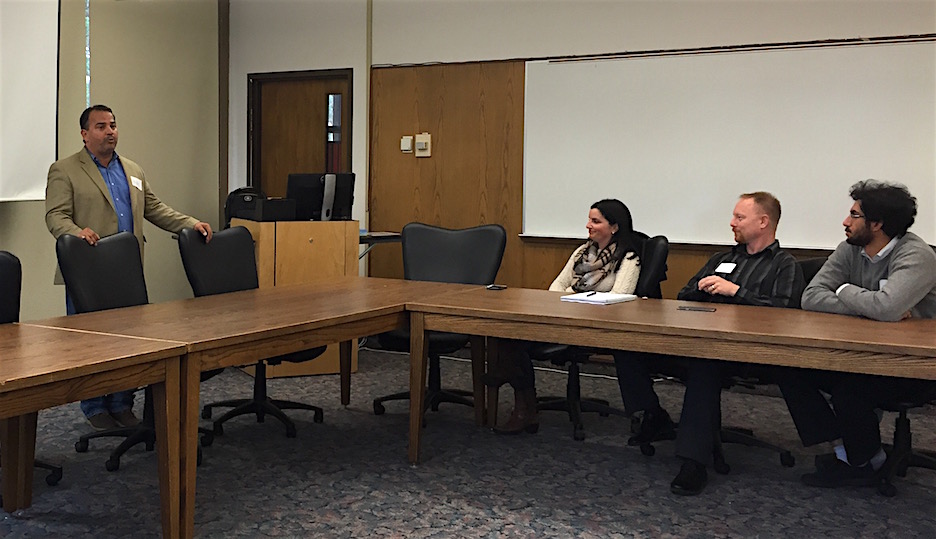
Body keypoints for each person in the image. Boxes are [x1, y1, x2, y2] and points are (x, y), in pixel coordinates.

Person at [613, 192, 802, 495]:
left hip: (748, 353)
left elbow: (785, 312)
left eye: (740, 217)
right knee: (627, 345)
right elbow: (684, 295)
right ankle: (652, 415)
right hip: (700, 340)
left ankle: (693, 463)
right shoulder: (722, 259)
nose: (732, 223)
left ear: (763, 222)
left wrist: (735, 291)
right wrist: (701, 290)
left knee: (705, 364)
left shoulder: (784, 265)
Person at [45, 104, 213, 431]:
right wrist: (76, 232)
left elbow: (155, 208)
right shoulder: (64, 170)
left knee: (128, 344)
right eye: (101, 126)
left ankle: (122, 404)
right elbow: (55, 215)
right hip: (87, 272)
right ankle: (95, 407)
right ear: (84, 134)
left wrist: (190, 223)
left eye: (113, 125)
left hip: (127, 274)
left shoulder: (132, 169)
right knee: (92, 345)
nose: (110, 131)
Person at [779, 180, 936, 488]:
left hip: (912, 364)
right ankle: (850, 450)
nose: (845, 222)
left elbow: (887, 307)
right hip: (859, 352)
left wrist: (843, 290)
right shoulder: (849, 248)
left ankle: (862, 460)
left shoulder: (916, 255)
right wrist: (868, 304)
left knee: (850, 389)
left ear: (877, 224)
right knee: (789, 366)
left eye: (854, 215)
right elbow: (811, 296)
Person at [487, 199, 642, 435]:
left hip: (596, 324)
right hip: (564, 314)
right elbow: (557, 286)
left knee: (515, 347)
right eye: (589, 220)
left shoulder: (629, 258)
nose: (588, 225)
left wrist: (579, 303)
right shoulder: (582, 252)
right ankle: (523, 402)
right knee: (512, 332)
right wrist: (560, 306)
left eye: (595, 221)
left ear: (614, 227)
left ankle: (517, 393)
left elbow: (620, 297)